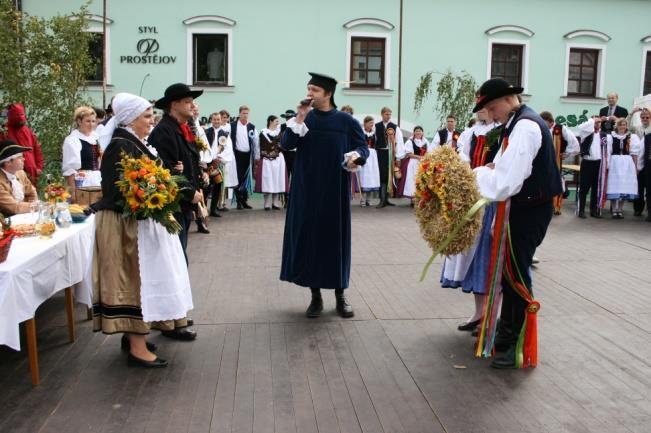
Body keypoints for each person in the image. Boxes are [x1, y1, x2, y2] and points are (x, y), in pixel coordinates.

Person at [93, 92, 193, 368]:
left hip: (142, 223)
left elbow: (152, 178)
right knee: (137, 282)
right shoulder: (120, 146)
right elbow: (119, 191)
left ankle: (134, 338)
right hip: (128, 227)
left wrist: (166, 188)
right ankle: (137, 347)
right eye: (147, 116)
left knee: (146, 280)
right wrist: (158, 192)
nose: (152, 120)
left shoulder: (134, 142)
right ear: (130, 119)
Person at [473, 78, 562, 368]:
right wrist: (488, 170)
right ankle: (507, 332)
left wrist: (472, 178)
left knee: (515, 275)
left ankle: (517, 342)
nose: (490, 114)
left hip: (528, 209)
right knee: (508, 274)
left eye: (491, 107)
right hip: (520, 207)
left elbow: (506, 182)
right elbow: (500, 167)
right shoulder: (515, 125)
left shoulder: (525, 126)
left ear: (509, 99)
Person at [280, 72, 369, 319]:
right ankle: (315, 296)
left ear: (328, 94)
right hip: (307, 190)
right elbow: (286, 144)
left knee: (335, 240)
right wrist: (299, 117)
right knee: (311, 241)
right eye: (308, 89)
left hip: (335, 189)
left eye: (314, 90)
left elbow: (362, 147)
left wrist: (357, 157)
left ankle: (341, 295)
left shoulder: (345, 121)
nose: (309, 94)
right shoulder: (302, 119)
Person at [148, 83, 203, 341]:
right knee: (174, 261)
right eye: (187, 101)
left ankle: (174, 313)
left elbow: (186, 163)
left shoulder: (181, 128)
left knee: (179, 260)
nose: (192, 105)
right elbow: (167, 172)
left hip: (183, 205)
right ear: (174, 105)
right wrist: (189, 192)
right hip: (172, 206)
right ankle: (169, 319)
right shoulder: (163, 132)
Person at [539, 111, 580, 215]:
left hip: (556, 160)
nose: (543, 125)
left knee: (555, 181)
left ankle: (555, 206)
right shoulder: (540, 129)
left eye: (544, 122)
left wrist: (567, 153)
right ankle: (543, 204)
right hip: (543, 160)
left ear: (551, 121)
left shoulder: (561, 129)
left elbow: (574, 143)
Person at [576, 117, 611, 218]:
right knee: (584, 188)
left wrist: (607, 164)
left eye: (599, 122)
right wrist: (592, 120)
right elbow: (581, 127)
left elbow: (607, 151)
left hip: (599, 164)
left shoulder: (604, 135)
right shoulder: (585, 133)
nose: (597, 124)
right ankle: (581, 210)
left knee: (596, 188)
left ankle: (594, 210)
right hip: (587, 163)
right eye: (595, 122)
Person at [1, 103, 43, 187]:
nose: (20, 118)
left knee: (32, 196)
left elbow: (36, 149)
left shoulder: (28, 131)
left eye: (22, 115)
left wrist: (39, 167)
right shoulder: (4, 132)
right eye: (18, 115)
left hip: (32, 172)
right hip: (12, 173)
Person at [62, 106, 102, 194]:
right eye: (87, 121)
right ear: (79, 121)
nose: (91, 124)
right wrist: (73, 193)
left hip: (97, 181)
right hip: (82, 182)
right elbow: (70, 170)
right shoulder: (73, 140)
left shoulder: (96, 138)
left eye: (93, 121)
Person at [607, 118, 640, 218]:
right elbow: (608, 151)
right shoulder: (611, 136)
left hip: (627, 162)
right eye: (620, 124)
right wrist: (607, 165)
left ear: (627, 126)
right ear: (617, 126)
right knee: (614, 185)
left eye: (624, 124)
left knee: (624, 186)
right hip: (615, 162)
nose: (622, 126)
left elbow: (634, 153)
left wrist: (635, 166)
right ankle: (613, 209)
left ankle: (620, 209)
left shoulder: (631, 137)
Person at [230, 106, 259, 210]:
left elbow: (256, 143)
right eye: (243, 113)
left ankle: (244, 200)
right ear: (239, 114)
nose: (245, 115)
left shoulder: (252, 127)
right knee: (237, 178)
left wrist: (257, 157)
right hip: (237, 155)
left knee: (246, 179)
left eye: (247, 113)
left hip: (248, 156)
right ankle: (238, 201)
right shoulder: (232, 126)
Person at [255, 115, 287, 210]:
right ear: (270, 121)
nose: (278, 123)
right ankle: (267, 203)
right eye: (276, 121)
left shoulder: (280, 132)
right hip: (267, 160)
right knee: (268, 180)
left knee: (277, 179)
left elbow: (283, 144)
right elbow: (259, 146)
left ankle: (275, 203)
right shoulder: (263, 133)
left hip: (278, 159)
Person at [374, 107, 404, 207]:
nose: (388, 116)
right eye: (386, 114)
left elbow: (399, 142)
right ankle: (382, 199)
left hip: (391, 154)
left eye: (390, 114)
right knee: (382, 175)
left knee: (389, 176)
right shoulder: (376, 126)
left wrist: (398, 157)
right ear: (382, 114)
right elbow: (374, 140)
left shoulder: (395, 127)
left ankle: (386, 199)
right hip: (380, 153)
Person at [0, 139, 38, 216]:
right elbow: (15, 208)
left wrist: (33, 211)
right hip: (6, 222)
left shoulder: (20, 173)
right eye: (19, 157)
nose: (23, 159)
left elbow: (31, 191)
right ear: (8, 162)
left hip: (25, 215)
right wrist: (38, 206)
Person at [190, 102, 211, 233]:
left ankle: (201, 220)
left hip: (199, 163)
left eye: (197, 110)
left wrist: (204, 160)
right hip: (191, 164)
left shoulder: (199, 127)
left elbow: (204, 145)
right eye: (193, 109)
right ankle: (197, 218)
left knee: (203, 191)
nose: (196, 112)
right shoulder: (189, 125)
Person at [397, 126, 428, 201]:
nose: (418, 132)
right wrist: (420, 157)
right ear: (414, 132)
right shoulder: (410, 141)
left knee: (421, 180)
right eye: (416, 131)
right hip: (412, 163)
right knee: (412, 180)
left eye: (420, 131)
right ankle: (413, 199)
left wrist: (425, 158)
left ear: (422, 132)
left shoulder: (425, 142)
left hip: (423, 164)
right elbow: (409, 154)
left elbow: (428, 152)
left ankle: (420, 198)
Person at [631, 107, 651, 219]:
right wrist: (632, 113)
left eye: (647, 117)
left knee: (649, 189)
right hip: (638, 160)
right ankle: (638, 209)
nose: (645, 119)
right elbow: (626, 126)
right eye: (643, 117)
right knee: (638, 187)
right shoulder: (638, 128)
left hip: (648, 161)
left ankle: (649, 212)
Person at [358, 116, 380, 207]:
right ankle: (362, 199)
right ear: (365, 123)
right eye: (370, 123)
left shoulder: (374, 134)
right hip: (364, 154)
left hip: (373, 156)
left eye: (372, 123)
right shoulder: (360, 133)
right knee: (363, 177)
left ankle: (368, 199)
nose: (372, 125)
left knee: (372, 177)